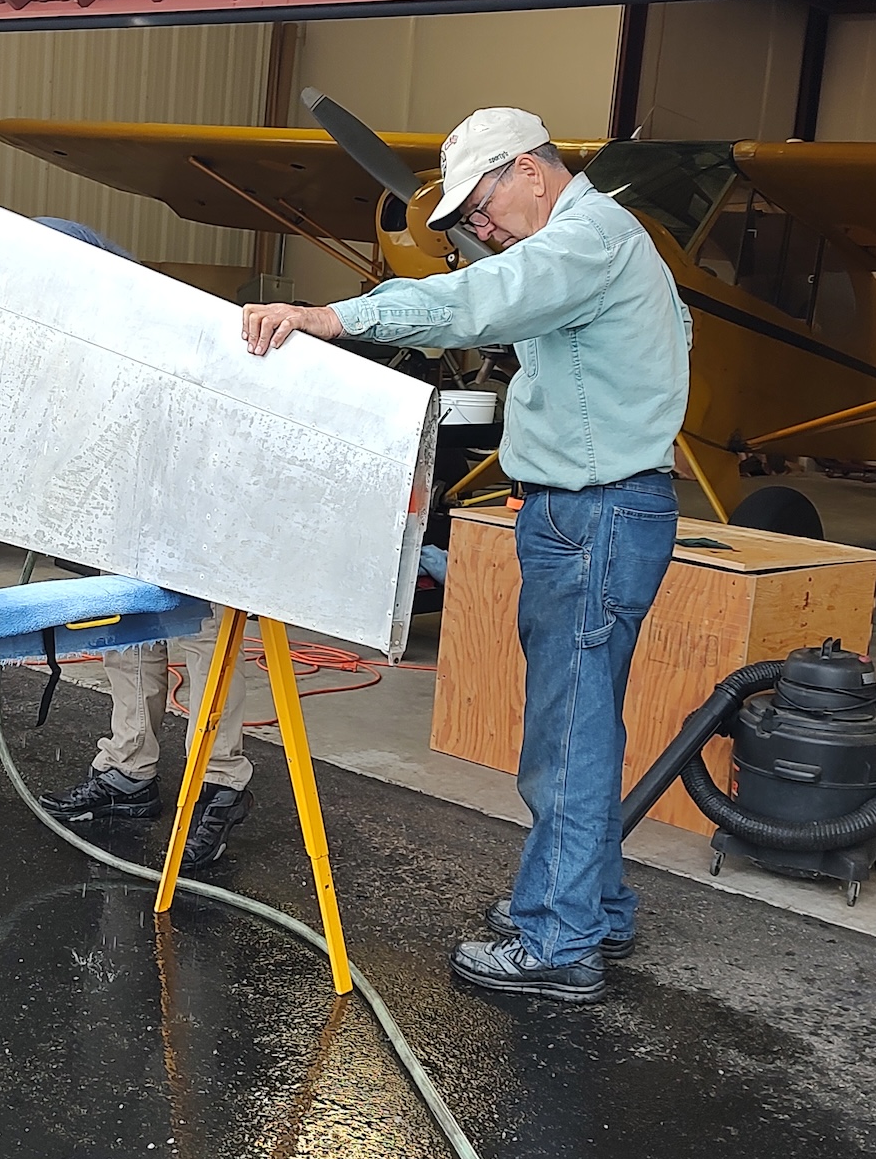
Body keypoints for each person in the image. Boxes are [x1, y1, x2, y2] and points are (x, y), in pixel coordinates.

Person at [241, 108, 690, 1003]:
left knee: (568, 730)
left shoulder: (584, 240)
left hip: (593, 515)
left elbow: (470, 302)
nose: (480, 229)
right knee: (584, 718)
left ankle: (558, 938)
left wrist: (332, 316)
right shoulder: (607, 242)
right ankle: (591, 904)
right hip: (600, 509)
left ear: (530, 170)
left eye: (481, 207)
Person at [0, 215, 257, 871]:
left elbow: (66, 244)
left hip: (190, 467)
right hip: (124, 478)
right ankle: (129, 772)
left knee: (201, 631)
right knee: (128, 623)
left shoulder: (83, 275)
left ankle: (220, 783)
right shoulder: (29, 320)